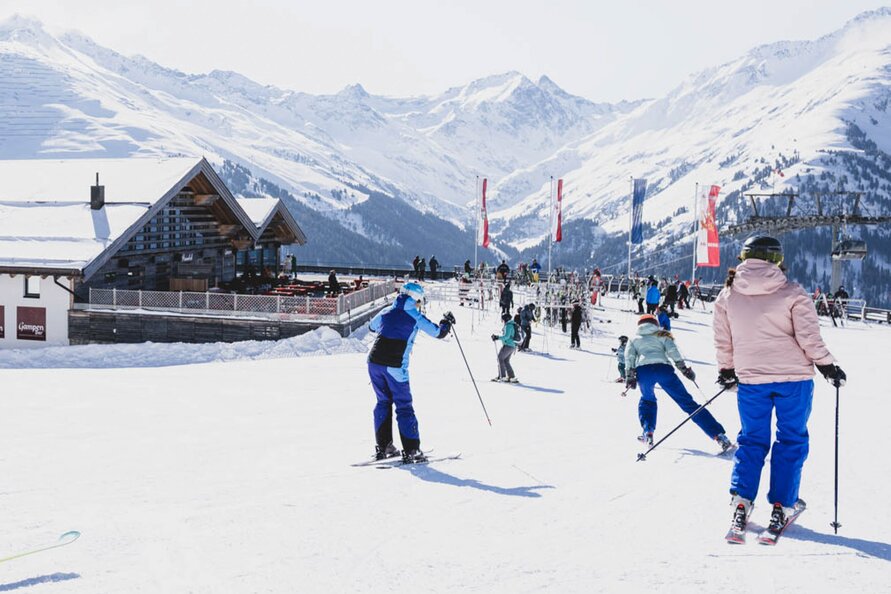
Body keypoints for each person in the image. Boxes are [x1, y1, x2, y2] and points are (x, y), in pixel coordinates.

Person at [713, 235, 846, 538]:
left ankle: (742, 502)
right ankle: (782, 504)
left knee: (752, 440)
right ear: (777, 259)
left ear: (744, 257)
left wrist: (727, 369)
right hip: (793, 379)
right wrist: (827, 366)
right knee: (791, 440)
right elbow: (809, 338)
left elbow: (724, 340)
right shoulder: (792, 292)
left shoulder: (727, 295)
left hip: (751, 380)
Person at [367, 282, 455, 464]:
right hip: (394, 366)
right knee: (404, 405)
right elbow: (438, 333)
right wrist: (446, 322)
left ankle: (384, 446)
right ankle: (412, 450)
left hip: (374, 363)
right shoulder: (415, 316)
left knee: (383, 401)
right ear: (416, 299)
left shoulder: (387, 311)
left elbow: (371, 327)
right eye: (419, 302)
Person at [626, 314, 732, 450]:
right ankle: (718, 436)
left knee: (647, 400)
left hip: (644, 371)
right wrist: (684, 370)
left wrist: (630, 376)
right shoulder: (662, 334)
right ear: (655, 324)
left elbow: (629, 357)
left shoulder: (634, 338)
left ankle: (648, 432)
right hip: (663, 369)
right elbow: (673, 351)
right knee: (688, 403)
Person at [491, 312, 520, 382]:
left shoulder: (508, 325)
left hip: (508, 345)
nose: (502, 321)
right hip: (512, 345)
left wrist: (497, 337)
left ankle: (502, 376)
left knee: (500, 358)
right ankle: (511, 376)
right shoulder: (512, 324)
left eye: (503, 319)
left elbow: (506, 337)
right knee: (506, 361)